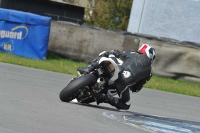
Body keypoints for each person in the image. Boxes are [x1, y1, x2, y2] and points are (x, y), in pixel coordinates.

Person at [77, 44, 156, 110]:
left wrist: (112, 54)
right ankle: (103, 97)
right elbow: (136, 88)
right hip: (123, 83)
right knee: (126, 105)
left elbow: (116, 53)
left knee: (106, 54)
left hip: (116, 69)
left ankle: (89, 68)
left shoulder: (132, 53)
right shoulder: (149, 73)